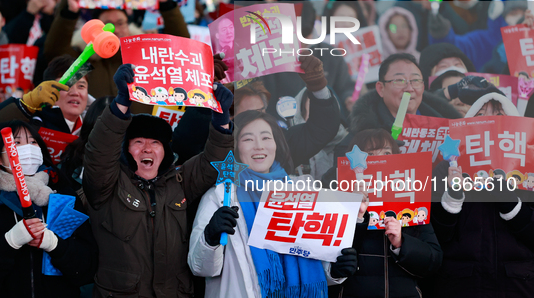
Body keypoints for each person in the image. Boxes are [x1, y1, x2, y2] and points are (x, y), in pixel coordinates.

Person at [83, 64, 234, 297]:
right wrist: (121, 103)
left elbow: (212, 163)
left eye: (156, 143)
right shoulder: (108, 184)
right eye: (138, 142)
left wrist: (221, 120)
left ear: (165, 152)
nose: (148, 149)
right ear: (126, 150)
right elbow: (99, 153)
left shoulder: (179, 181)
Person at [188, 110, 350, 297]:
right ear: (236, 147)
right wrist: (210, 238)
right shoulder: (219, 196)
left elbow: (315, 265)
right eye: (248, 139)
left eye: (266, 138)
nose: (259, 146)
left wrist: (336, 270)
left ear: (276, 144)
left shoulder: (302, 191)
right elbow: (199, 267)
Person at [0, 120, 98, 297]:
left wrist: (55, 245)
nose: (28, 149)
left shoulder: (63, 196)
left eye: (33, 142)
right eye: (16, 143)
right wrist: (10, 242)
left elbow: (87, 268)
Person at [426, 89, 534, 297]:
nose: (491, 121)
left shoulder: (529, 168)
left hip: (518, 284)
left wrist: (512, 204)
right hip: (462, 284)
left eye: (499, 114)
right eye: (481, 114)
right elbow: (435, 237)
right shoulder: (447, 168)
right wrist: (453, 197)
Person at [44, 0, 190, 112]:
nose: (115, 30)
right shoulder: (84, 61)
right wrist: (70, 11)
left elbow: (180, 47)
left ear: (129, 26)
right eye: (108, 25)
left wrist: (165, 3)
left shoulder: (145, 56)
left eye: (120, 23)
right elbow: (54, 51)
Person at [328, 128, 443, 297]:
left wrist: (402, 244)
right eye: (370, 155)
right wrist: (357, 217)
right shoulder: (339, 202)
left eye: (387, 153)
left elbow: (433, 261)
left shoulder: (412, 205)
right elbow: (334, 261)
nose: (379, 160)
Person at [0, 55, 87, 146]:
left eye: (81, 86)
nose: (75, 93)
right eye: (66, 86)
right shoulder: (30, 122)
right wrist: (26, 104)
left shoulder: (94, 125)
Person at [348, 53, 461, 141]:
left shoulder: (445, 123)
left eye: (415, 80)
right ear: (381, 89)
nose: (409, 88)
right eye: (399, 80)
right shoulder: (362, 136)